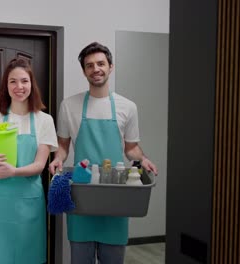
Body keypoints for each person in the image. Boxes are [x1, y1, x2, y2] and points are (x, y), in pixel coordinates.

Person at [48, 42, 158, 264]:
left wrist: (143, 159)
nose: (95, 69)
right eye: (89, 65)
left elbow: (131, 148)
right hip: (82, 194)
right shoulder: (69, 105)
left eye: (100, 63)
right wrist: (57, 159)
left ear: (111, 66)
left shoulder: (128, 107)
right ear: (84, 71)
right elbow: (63, 145)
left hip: (115, 195)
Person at [0, 58, 58, 264]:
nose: (19, 87)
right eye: (12, 81)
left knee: (28, 257)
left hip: (29, 206)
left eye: (24, 81)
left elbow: (39, 166)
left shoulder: (44, 120)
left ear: (32, 85)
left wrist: (12, 172)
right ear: (6, 86)